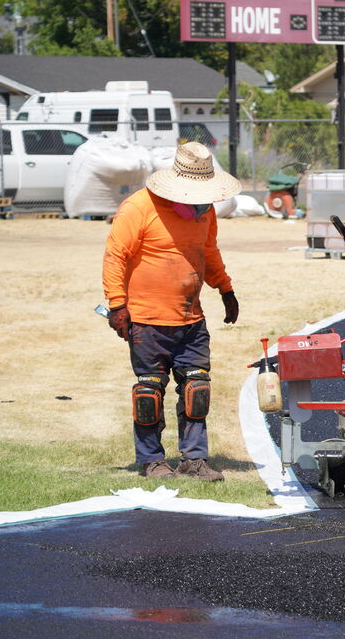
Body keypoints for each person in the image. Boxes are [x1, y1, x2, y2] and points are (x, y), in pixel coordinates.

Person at [102, 142, 242, 480]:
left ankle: (194, 460)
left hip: (191, 319)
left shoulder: (204, 211)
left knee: (197, 389)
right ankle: (152, 460)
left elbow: (209, 251)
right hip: (147, 321)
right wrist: (117, 306)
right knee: (149, 390)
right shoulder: (138, 208)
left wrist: (225, 288)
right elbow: (115, 256)